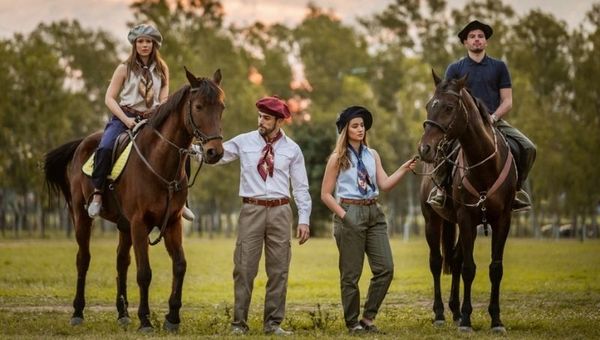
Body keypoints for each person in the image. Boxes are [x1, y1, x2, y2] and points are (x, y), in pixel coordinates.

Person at [215, 96, 311, 335]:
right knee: (244, 267)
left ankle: (273, 324)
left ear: (279, 121)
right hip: (251, 209)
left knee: (279, 270)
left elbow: (300, 187)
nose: (261, 121)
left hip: (280, 211)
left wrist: (304, 219)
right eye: (259, 116)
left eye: (267, 118)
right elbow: (215, 155)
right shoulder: (243, 141)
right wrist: (191, 150)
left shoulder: (292, 150)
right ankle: (239, 323)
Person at [320, 106, 417, 334]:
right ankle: (353, 323)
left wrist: (403, 169)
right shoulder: (337, 158)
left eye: (362, 125)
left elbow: (384, 185)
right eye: (355, 125)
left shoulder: (372, 155)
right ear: (345, 130)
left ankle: (368, 317)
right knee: (351, 274)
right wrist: (345, 217)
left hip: (374, 212)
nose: (360, 129)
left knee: (386, 268)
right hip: (349, 212)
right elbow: (325, 194)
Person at [87, 24, 195, 221]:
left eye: (148, 42)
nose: (144, 45)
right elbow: (109, 98)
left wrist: (159, 114)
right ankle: (98, 194)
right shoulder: (124, 68)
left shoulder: (162, 69)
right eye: (140, 41)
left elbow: (164, 100)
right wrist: (126, 120)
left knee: (181, 149)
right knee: (105, 147)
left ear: (155, 45)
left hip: (152, 118)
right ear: (134, 44)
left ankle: (183, 201)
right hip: (125, 116)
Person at [427, 20, 536, 211]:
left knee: (528, 147)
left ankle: (516, 191)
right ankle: (442, 192)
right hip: (463, 126)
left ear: (485, 42)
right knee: (443, 148)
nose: (477, 40)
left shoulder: (499, 67)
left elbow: (508, 101)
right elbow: (446, 101)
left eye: (480, 36)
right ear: (465, 42)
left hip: (494, 122)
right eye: (472, 37)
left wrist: (493, 117)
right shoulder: (455, 69)